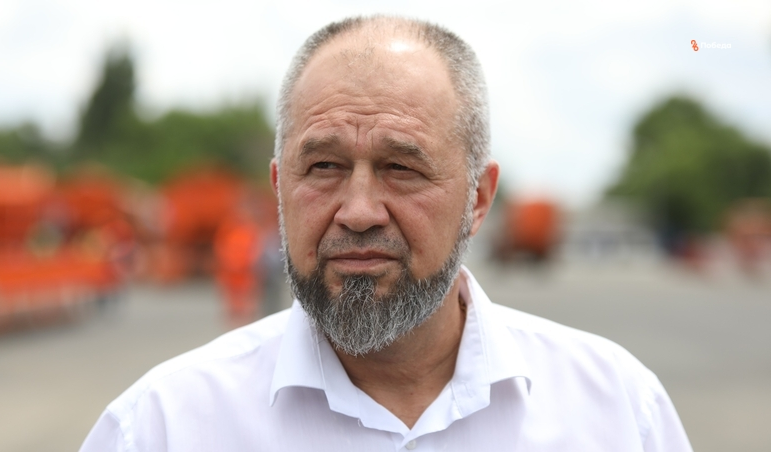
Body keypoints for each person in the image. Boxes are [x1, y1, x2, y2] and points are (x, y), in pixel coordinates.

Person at [80, 16, 692, 451]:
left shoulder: (617, 412)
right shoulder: (162, 427)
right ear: (279, 189)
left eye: (401, 168)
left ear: (478, 199)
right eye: (324, 166)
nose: (359, 212)